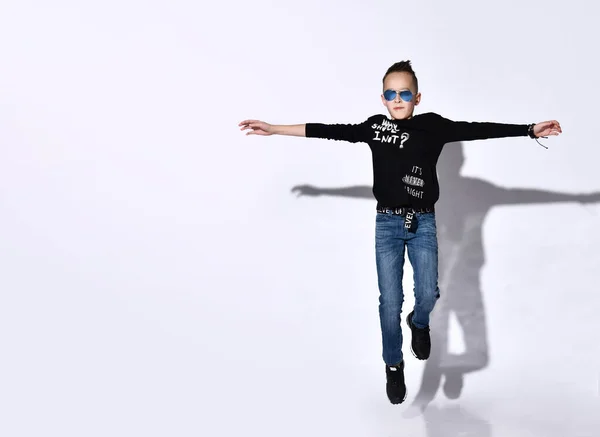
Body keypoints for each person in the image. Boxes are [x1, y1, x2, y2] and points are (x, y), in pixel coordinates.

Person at [238, 60, 562, 405]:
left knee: (428, 295)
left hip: (423, 223)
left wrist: (529, 130)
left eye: (404, 93)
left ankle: (419, 323)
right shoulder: (375, 127)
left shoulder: (433, 127)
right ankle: (393, 364)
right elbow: (327, 129)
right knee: (389, 302)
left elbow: (477, 128)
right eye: (390, 93)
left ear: (417, 97)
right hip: (387, 226)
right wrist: (274, 128)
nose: (397, 99)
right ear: (382, 98)